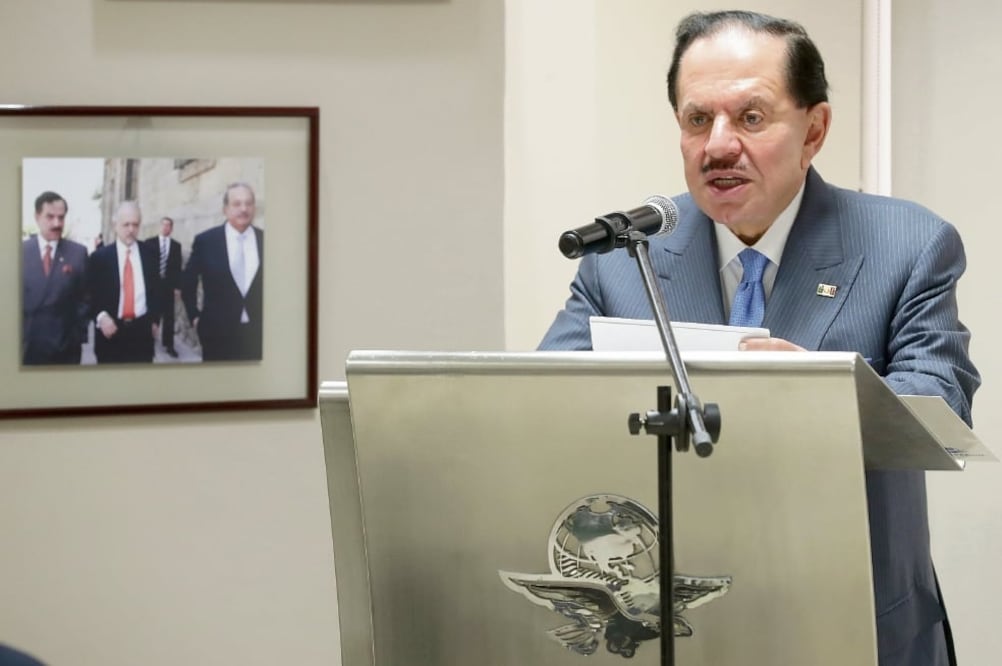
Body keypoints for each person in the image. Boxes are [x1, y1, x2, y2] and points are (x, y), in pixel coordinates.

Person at [539, 11, 979, 666]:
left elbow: (940, 410)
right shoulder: (622, 259)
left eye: (750, 118)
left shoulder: (907, 245)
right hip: (682, 632)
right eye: (697, 120)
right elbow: (545, 406)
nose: (717, 146)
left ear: (814, 130)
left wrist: (820, 397)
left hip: (854, 626)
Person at [181, 182, 263, 361]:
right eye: (237, 204)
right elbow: (188, 283)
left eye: (248, 203)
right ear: (225, 209)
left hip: (258, 338)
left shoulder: (265, 240)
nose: (244, 209)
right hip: (216, 337)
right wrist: (195, 317)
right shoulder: (206, 241)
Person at [87, 201, 162, 363]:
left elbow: (158, 290)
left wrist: (155, 319)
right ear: (115, 225)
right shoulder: (100, 258)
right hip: (110, 334)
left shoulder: (150, 254)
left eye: (135, 225)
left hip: (142, 335)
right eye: (126, 224)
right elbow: (88, 294)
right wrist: (101, 317)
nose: (131, 230)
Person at [21, 191, 89, 365]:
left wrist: (76, 336)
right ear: (37, 217)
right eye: (50, 217)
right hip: (29, 347)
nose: (57, 223)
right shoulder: (20, 252)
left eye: (61, 217)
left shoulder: (78, 253)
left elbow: (85, 298)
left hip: (66, 348)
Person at [145, 216, 183, 357]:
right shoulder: (150, 243)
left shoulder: (176, 246)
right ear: (160, 226)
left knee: (169, 317)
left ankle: (169, 345)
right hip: (153, 285)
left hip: (168, 286)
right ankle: (149, 340)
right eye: (164, 225)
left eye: (169, 225)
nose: (166, 227)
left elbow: (178, 268)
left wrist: (178, 287)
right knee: (152, 314)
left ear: (171, 228)